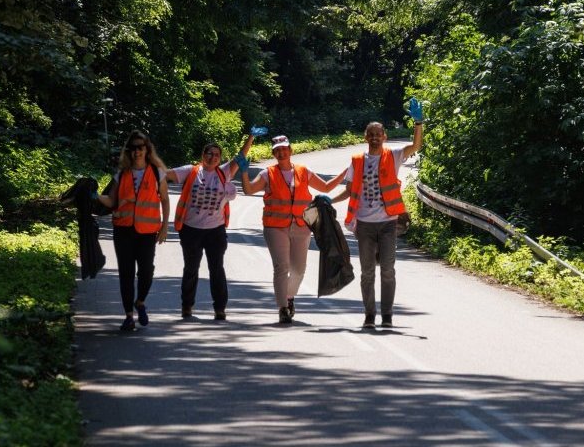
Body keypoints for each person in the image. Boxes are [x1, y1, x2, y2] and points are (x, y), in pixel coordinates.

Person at [339, 98, 426, 329]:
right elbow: (349, 190)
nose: (375, 137)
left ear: (384, 137)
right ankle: (369, 315)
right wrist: (327, 200)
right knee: (367, 272)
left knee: (388, 270)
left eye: (379, 134)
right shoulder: (357, 161)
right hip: (364, 224)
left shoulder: (393, 155)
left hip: (388, 223)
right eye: (371, 134)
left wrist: (418, 123)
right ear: (365, 137)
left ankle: (387, 315)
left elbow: (416, 146)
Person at [241, 134, 343, 324]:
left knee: (299, 270)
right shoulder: (267, 173)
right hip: (275, 227)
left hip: (301, 226)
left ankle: (289, 297)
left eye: (284, 149)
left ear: (290, 150)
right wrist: (244, 172)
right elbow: (248, 190)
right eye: (277, 150)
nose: (281, 153)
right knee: (281, 267)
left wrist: (347, 171)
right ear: (273, 153)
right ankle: (282, 308)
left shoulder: (303, 171)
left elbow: (326, 187)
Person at [164, 135, 255, 321]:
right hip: (191, 229)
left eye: (217, 155)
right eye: (209, 153)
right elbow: (165, 174)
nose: (213, 157)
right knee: (191, 269)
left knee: (217, 269)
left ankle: (220, 308)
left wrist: (251, 137)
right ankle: (187, 305)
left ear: (220, 159)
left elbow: (241, 156)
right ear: (202, 155)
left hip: (216, 231)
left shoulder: (224, 172)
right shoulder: (190, 171)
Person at [95, 131, 170, 331]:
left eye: (140, 147)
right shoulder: (122, 174)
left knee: (146, 271)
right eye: (133, 148)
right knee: (126, 274)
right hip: (123, 231)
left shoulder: (157, 172)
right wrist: (94, 195)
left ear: (147, 149)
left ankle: (140, 301)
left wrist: (164, 227)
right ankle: (128, 316)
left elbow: (164, 199)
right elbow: (111, 201)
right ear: (129, 151)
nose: (137, 151)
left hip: (147, 232)